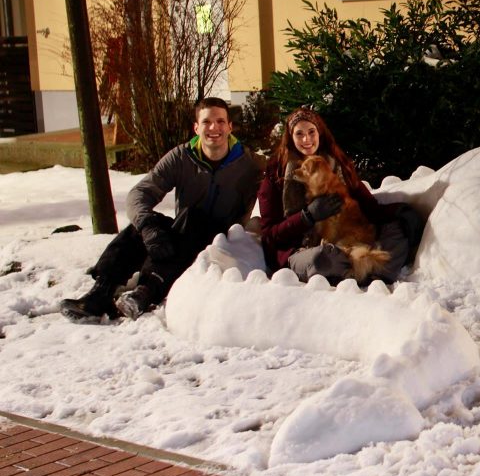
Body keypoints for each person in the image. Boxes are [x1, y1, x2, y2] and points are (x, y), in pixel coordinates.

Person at [60, 97, 261, 322]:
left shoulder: (250, 163)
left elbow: (282, 176)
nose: (214, 128)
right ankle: (100, 293)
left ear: (230, 127)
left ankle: (148, 291)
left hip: (221, 244)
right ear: (196, 127)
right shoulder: (182, 157)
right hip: (183, 235)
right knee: (146, 223)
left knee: (193, 217)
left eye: (220, 121)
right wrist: (148, 227)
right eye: (207, 122)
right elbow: (140, 193)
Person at [258, 107, 421, 285]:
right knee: (322, 257)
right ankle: (373, 269)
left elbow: (369, 207)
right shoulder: (276, 175)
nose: (307, 139)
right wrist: (306, 217)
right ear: (291, 137)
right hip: (305, 250)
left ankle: (364, 271)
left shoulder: (338, 165)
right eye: (299, 134)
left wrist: (399, 211)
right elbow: (269, 235)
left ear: (319, 132)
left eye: (311, 132)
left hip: (346, 241)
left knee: (397, 229)